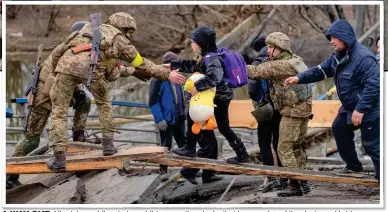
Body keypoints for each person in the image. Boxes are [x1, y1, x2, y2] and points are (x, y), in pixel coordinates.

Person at [46, 12, 186, 172]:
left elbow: (58, 51)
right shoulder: (119, 39)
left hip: (64, 67)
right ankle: (108, 146)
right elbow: (141, 63)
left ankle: (59, 158)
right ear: (124, 28)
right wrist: (167, 74)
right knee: (104, 105)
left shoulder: (87, 28)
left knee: (59, 112)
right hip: (93, 70)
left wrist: (56, 72)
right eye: (129, 32)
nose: (129, 35)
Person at [284, 20, 380, 189]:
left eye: (335, 37)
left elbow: (374, 85)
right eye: (330, 37)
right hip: (350, 107)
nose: (331, 41)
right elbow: (320, 71)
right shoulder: (337, 57)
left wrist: (360, 109)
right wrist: (299, 78)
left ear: (345, 37)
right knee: (339, 127)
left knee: (371, 145)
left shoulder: (364, 58)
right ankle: (353, 167)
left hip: (369, 108)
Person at [5, 21, 92, 189]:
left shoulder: (75, 49)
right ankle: (9, 174)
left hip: (55, 93)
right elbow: (56, 84)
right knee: (32, 140)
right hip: (42, 99)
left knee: (85, 100)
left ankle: (78, 136)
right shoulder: (66, 50)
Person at [246, 32, 312, 197]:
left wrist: (232, 64)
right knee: (297, 147)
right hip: (304, 110)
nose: (267, 51)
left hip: (292, 112)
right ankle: (303, 183)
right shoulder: (296, 59)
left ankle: (295, 185)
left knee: (283, 148)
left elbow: (255, 71)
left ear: (279, 48)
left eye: (270, 47)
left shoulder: (280, 65)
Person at [248, 37, 288, 193]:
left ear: (257, 50)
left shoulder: (258, 64)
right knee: (279, 142)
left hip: (266, 109)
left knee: (264, 142)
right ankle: (285, 178)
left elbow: (252, 91)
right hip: (280, 107)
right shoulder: (277, 60)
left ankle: (270, 177)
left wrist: (258, 100)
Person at [149, 51, 187, 178]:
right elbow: (153, 102)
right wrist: (159, 119)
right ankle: (163, 171)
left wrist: (185, 110)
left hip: (180, 118)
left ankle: (188, 170)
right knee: (165, 146)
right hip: (166, 119)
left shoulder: (178, 76)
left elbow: (182, 95)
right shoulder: (157, 79)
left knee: (185, 145)